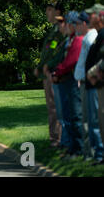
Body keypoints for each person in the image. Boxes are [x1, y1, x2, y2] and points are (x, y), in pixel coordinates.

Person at [51, 11, 84, 159]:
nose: (63, 26)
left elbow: (70, 60)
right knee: (68, 114)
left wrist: (57, 71)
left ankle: (77, 149)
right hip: (64, 79)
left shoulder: (76, 39)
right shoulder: (67, 39)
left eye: (66, 23)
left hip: (70, 79)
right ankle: (72, 147)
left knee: (75, 116)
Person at [73, 11, 102, 162]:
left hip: (89, 82)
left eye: (78, 23)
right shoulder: (87, 38)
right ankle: (89, 152)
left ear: (84, 24)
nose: (75, 26)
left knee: (91, 119)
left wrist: (86, 77)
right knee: (87, 118)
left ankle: (93, 153)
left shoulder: (90, 38)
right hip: (84, 81)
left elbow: (91, 61)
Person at [35, 1, 64, 148]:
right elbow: (48, 51)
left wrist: (47, 66)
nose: (47, 12)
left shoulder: (60, 30)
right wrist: (40, 67)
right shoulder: (53, 30)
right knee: (51, 107)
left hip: (54, 73)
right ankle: (54, 138)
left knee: (55, 107)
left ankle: (58, 139)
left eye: (50, 9)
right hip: (47, 72)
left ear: (58, 12)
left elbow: (57, 52)